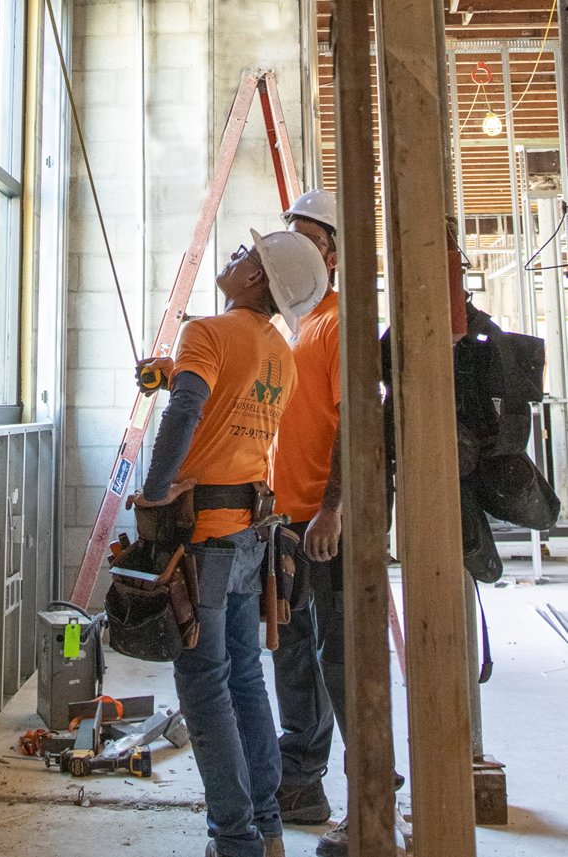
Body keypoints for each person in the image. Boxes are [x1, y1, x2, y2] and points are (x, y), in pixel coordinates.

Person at [133, 230, 330, 857]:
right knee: (245, 677)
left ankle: (235, 838)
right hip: (252, 537)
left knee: (203, 682)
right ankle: (266, 828)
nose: (233, 260)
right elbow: (228, 402)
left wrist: (156, 490)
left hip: (205, 540)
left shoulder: (209, 332)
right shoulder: (282, 351)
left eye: (246, 257)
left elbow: (188, 412)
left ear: (256, 280)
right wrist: (174, 377)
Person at [267, 189, 348, 853]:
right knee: (294, 653)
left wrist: (333, 506)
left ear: (331, 251)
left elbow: (356, 422)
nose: (292, 245)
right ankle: (300, 780)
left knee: (337, 657)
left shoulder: (340, 321)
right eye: (287, 233)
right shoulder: (303, 321)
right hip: (288, 517)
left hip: (322, 520)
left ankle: (363, 786)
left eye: (305, 235)